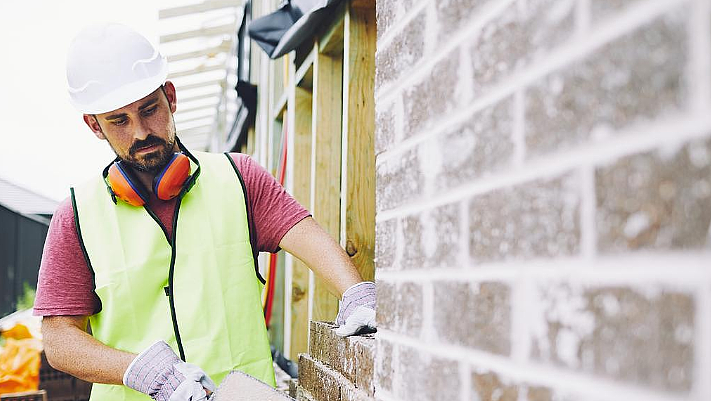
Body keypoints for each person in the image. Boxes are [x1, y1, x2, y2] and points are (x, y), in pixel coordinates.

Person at [33, 23, 376, 401]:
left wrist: (356, 291)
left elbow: (308, 236)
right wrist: (137, 371)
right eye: (119, 120)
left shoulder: (239, 179)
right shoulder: (77, 217)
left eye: (149, 110)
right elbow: (60, 340)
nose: (141, 132)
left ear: (170, 96)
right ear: (94, 125)